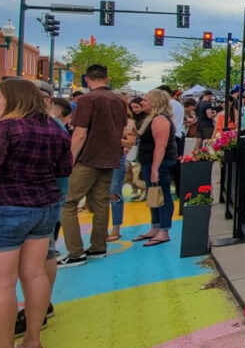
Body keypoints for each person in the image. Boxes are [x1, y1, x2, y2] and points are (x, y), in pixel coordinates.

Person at [0, 79, 72, 348]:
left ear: (14, 100)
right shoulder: (54, 129)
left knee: (1, 284)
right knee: (35, 273)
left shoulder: (6, 128)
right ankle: (32, 339)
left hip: (5, 207)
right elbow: (65, 167)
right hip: (43, 206)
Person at [59, 64, 127, 267]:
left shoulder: (88, 100)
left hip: (89, 157)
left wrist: (69, 159)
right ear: (106, 78)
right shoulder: (118, 100)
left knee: (68, 203)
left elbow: (80, 133)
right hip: (110, 157)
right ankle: (98, 246)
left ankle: (75, 251)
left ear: (87, 80)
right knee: (100, 203)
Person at [131, 89, 179, 246]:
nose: (142, 102)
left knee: (162, 194)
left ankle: (163, 229)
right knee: (154, 193)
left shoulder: (160, 120)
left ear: (155, 102)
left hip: (160, 162)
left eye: (145, 100)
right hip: (150, 161)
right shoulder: (152, 118)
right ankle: (156, 226)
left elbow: (161, 145)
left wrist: (155, 168)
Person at [107, 91, 137, 243]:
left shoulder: (128, 123)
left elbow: (130, 143)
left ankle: (116, 227)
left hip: (116, 158)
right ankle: (101, 228)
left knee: (114, 192)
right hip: (100, 158)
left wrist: (112, 138)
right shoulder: (101, 120)